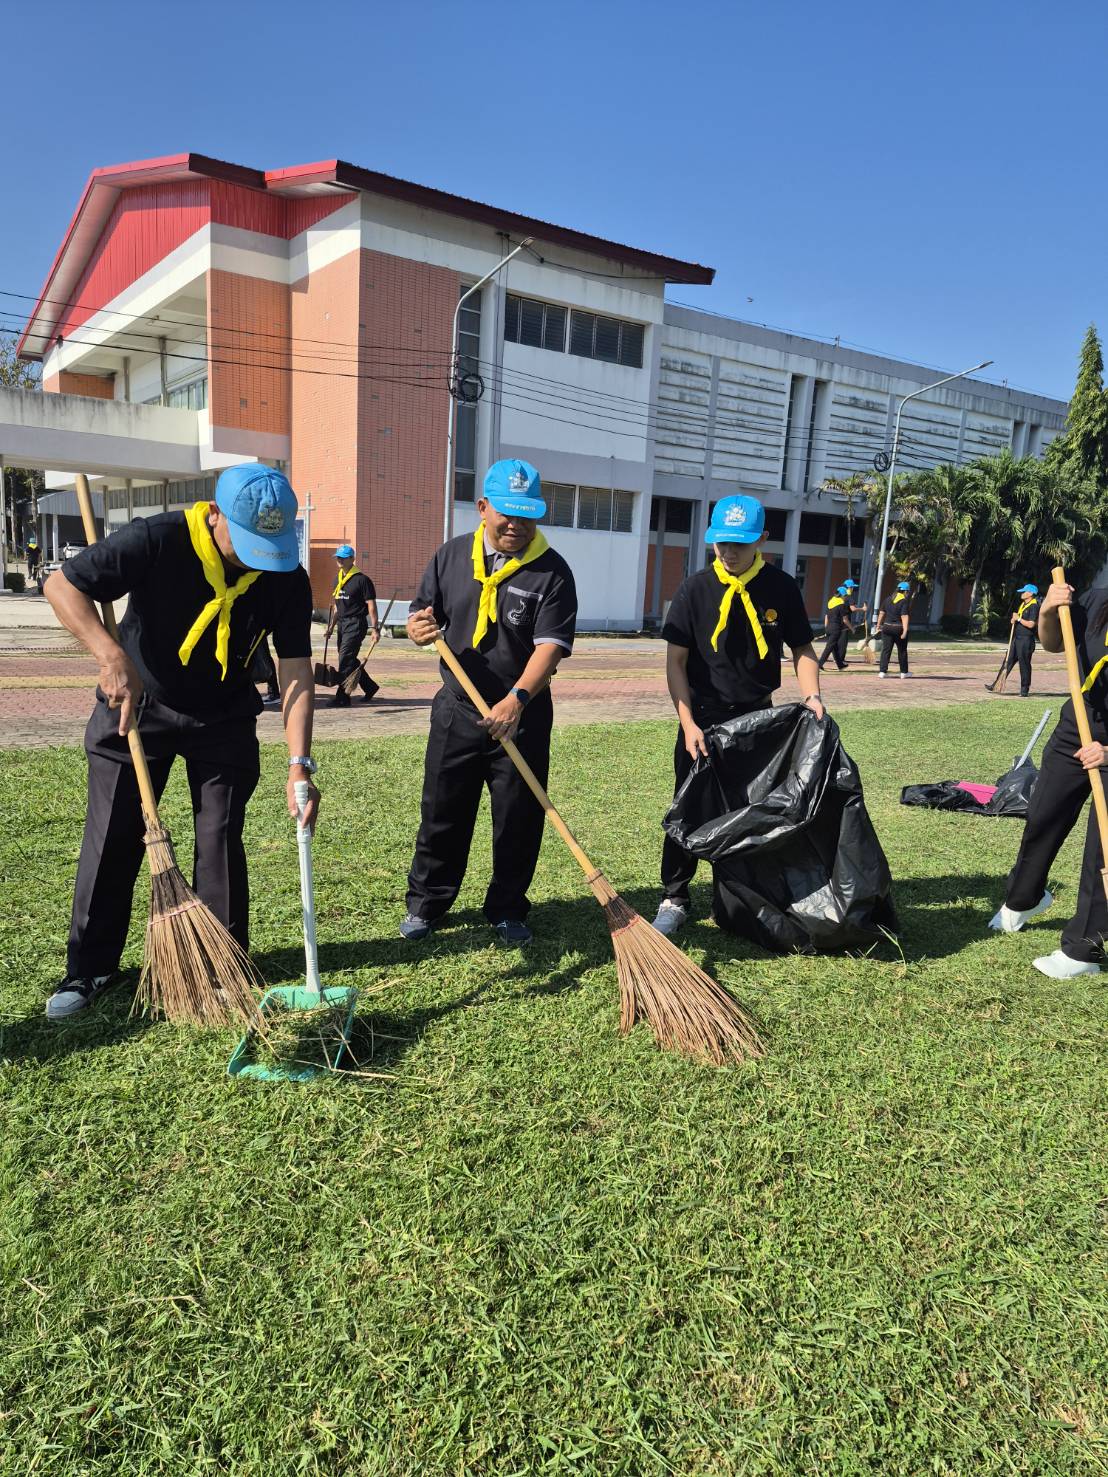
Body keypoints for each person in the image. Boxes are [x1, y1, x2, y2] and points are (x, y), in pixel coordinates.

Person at [42, 465, 320, 1019]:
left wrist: (299, 763)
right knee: (114, 835)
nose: (253, 559)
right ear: (214, 514)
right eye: (245, 544)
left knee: (219, 838)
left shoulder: (284, 574)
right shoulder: (158, 538)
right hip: (136, 706)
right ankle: (89, 968)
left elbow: (293, 669)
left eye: (267, 547)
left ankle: (221, 969)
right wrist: (109, 654)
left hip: (223, 716)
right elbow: (62, 584)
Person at [402, 459, 577, 946]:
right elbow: (422, 616)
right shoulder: (451, 556)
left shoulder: (552, 572)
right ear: (483, 508)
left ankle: (506, 907)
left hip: (520, 714)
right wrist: (415, 630)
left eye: (527, 515)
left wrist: (517, 699)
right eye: (507, 514)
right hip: (457, 708)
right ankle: (427, 904)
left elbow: (551, 647)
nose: (516, 525)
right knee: (442, 809)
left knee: (518, 816)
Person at [652, 493, 825, 936]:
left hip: (757, 720)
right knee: (689, 806)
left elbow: (802, 649)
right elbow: (675, 663)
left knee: (749, 808)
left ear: (762, 539)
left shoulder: (781, 587)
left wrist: (812, 696)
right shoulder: (694, 589)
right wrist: (688, 723)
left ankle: (741, 894)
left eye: (740, 544)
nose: (728, 553)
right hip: (702, 718)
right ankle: (675, 895)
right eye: (721, 544)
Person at [989, 577, 1108, 977]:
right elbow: (1056, 642)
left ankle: (1084, 950)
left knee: (1102, 847)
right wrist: (1046, 610)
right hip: (1078, 723)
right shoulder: (1098, 597)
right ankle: (1024, 898)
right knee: (1044, 814)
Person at [329, 544, 380, 708]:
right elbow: (338, 606)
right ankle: (370, 687)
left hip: (356, 623)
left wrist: (375, 629)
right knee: (349, 659)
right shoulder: (338, 579)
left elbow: (371, 605)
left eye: (343, 557)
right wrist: (331, 627)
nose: (339, 560)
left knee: (345, 659)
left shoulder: (362, 580)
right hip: (342, 624)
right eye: (338, 557)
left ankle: (342, 697)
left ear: (352, 559)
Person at [985, 583, 1039, 696]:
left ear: (1030, 593)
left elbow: (1031, 624)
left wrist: (1018, 619)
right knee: (1007, 661)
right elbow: (1019, 620)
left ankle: (1024, 690)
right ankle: (996, 685)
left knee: (1024, 664)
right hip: (1016, 639)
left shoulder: (1034, 606)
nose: (1022, 593)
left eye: (1024, 592)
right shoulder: (1023, 604)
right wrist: (1014, 620)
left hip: (1026, 641)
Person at [877, 581, 912, 678]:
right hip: (898, 628)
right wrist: (905, 630)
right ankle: (904, 673)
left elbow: (881, 612)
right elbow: (904, 616)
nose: (908, 594)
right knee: (902, 650)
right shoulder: (904, 601)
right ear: (905, 591)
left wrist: (878, 625)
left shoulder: (888, 599)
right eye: (908, 592)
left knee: (886, 650)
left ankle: (882, 672)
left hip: (887, 627)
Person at [818, 584, 854, 670]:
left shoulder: (831, 604)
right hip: (836, 628)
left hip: (829, 627)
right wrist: (852, 628)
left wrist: (826, 628)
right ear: (841, 595)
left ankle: (840, 665)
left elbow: (826, 617)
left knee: (834, 647)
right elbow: (845, 620)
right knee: (829, 647)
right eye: (845, 595)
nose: (845, 597)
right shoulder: (842, 605)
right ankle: (819, 664)